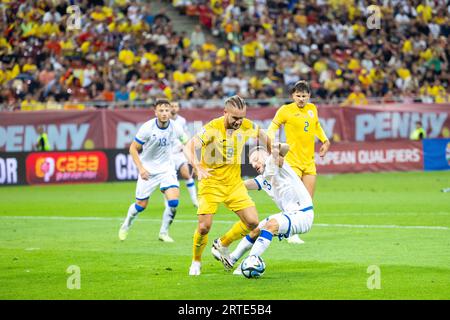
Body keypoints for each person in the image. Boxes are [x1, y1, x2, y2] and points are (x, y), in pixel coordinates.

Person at [183, 95, 271, 276]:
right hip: (211, 183)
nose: (239, 122)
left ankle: (222, 244)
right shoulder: (212, 128)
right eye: (235, 118)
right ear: (225, 113)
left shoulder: (246, 124)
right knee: (204, 227)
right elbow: (188, 147)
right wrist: (197, 166)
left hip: (234, 184)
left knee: (253, 222)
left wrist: (272, 153)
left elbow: (263, 135)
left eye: (242, 117)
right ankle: (196, 261)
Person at [226, 144, 314, 274]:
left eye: (256, 159)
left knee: (271, 225)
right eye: (251, 163)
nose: (254, 165)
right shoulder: (264, 178)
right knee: (256, 230)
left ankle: (250, 262)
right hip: (290, 214)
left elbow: (285, 148)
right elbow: (244, 185)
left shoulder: (275, 162)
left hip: (303, 214)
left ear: (265, 155)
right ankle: (231, 259)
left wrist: (276, 149)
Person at [267, 80, 330, 244]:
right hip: (292, 161)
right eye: (298, 95)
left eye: (304, 95)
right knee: (293, 199)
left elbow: (316, 126)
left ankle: (291, 229)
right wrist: (271, 142)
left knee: (307, 200)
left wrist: (325, 140)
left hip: (309, 161)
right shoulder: (285, 110)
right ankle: (291, 233)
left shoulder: (312, 109)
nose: (301, 99)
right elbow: (273, 126)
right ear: (292, 96)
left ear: (309, 95)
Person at [118, 99, 188, 243]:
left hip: (167, 169)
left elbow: (186, 142)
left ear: (170, 112)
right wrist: (141, 169)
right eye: (161, 111)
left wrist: (196, 162)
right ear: (155, 112)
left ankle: (163, 232)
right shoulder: (147, 128)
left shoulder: (176, 127)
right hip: (148, 171)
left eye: (166, 110)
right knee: (140, 206)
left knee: (174, 202)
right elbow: (133, 148)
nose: (164, 113)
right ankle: (126, 225)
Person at [169, 101, 199, 207]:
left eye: (175, 106)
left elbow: (186, 134)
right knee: (169, 179)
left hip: (179, 153)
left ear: (178, 108)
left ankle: (195, 201)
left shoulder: (182, 120)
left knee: (186, 175)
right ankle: (168, 202)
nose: (173, 108)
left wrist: (186, 144)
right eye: (172, 106)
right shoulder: (165, 120)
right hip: (168, 155)